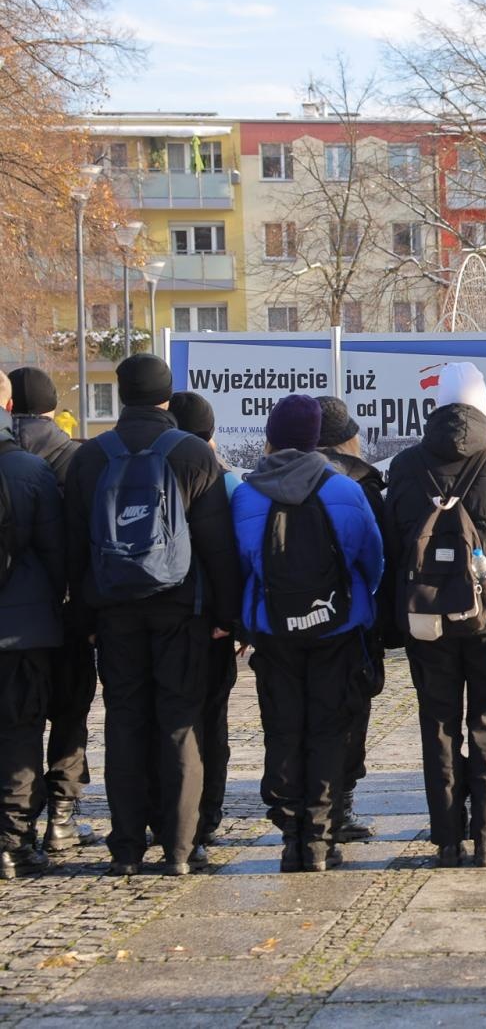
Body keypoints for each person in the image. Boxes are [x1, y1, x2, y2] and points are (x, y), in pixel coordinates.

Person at [62, 354, 242, 876]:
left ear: (121, 396)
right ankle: (181, 849)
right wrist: (226, 617)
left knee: (124, 722)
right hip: (182, 611)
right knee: (180, 723)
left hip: (114, 611)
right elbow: (218, 547)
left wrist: (87, 616)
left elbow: (76, 547)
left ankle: (125, 848)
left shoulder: (91, 457)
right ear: (168, 395)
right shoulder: (190, 453)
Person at [385, 363, 486, 869]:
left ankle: (448, 838)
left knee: (439, 725)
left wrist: (394, 619)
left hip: (428, 618)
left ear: (437, 407)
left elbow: (393, 550)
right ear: (483, 408)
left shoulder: (406, 466)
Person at [233, 395, 383, 872]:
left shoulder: (246, 494)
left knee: (282, 728)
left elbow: (239, 564)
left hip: (273, 632)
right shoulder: (344, 490)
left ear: (271, 438)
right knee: (328, 729)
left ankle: (291, 833)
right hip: (336, 629)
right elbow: (371, 559)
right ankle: (321, 839)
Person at [5, 367, 91, 854]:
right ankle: (62, 816)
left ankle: (18, 821)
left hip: (17, 614)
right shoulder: (76, 457)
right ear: (53, 406)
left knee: (18, 719)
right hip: (66, 609)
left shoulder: (7, 458)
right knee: (70, 710)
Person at [168, 391, 243, 850]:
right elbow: (232, 554)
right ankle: (207, 813)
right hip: (211, 618)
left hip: (160, 610)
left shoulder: (150, 463)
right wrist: (232, 618)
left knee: (167, 715)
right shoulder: (227, 480)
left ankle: (167, 813)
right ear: (211, 433)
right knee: (212, 718)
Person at [0, 375, 67, 878]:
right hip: (22, 628)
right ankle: (13, 841)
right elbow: (57, 556)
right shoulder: (30, 470)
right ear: (6, 402)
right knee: (20, 731)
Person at [315, 395, 387, 842]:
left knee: (296, 714)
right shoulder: (360, 485)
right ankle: (337, 807)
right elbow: (379, 558)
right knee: (349, 712)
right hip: (350, 622)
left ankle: (305, 810)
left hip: (285, 621)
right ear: (348, 440)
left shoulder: (265, 482)